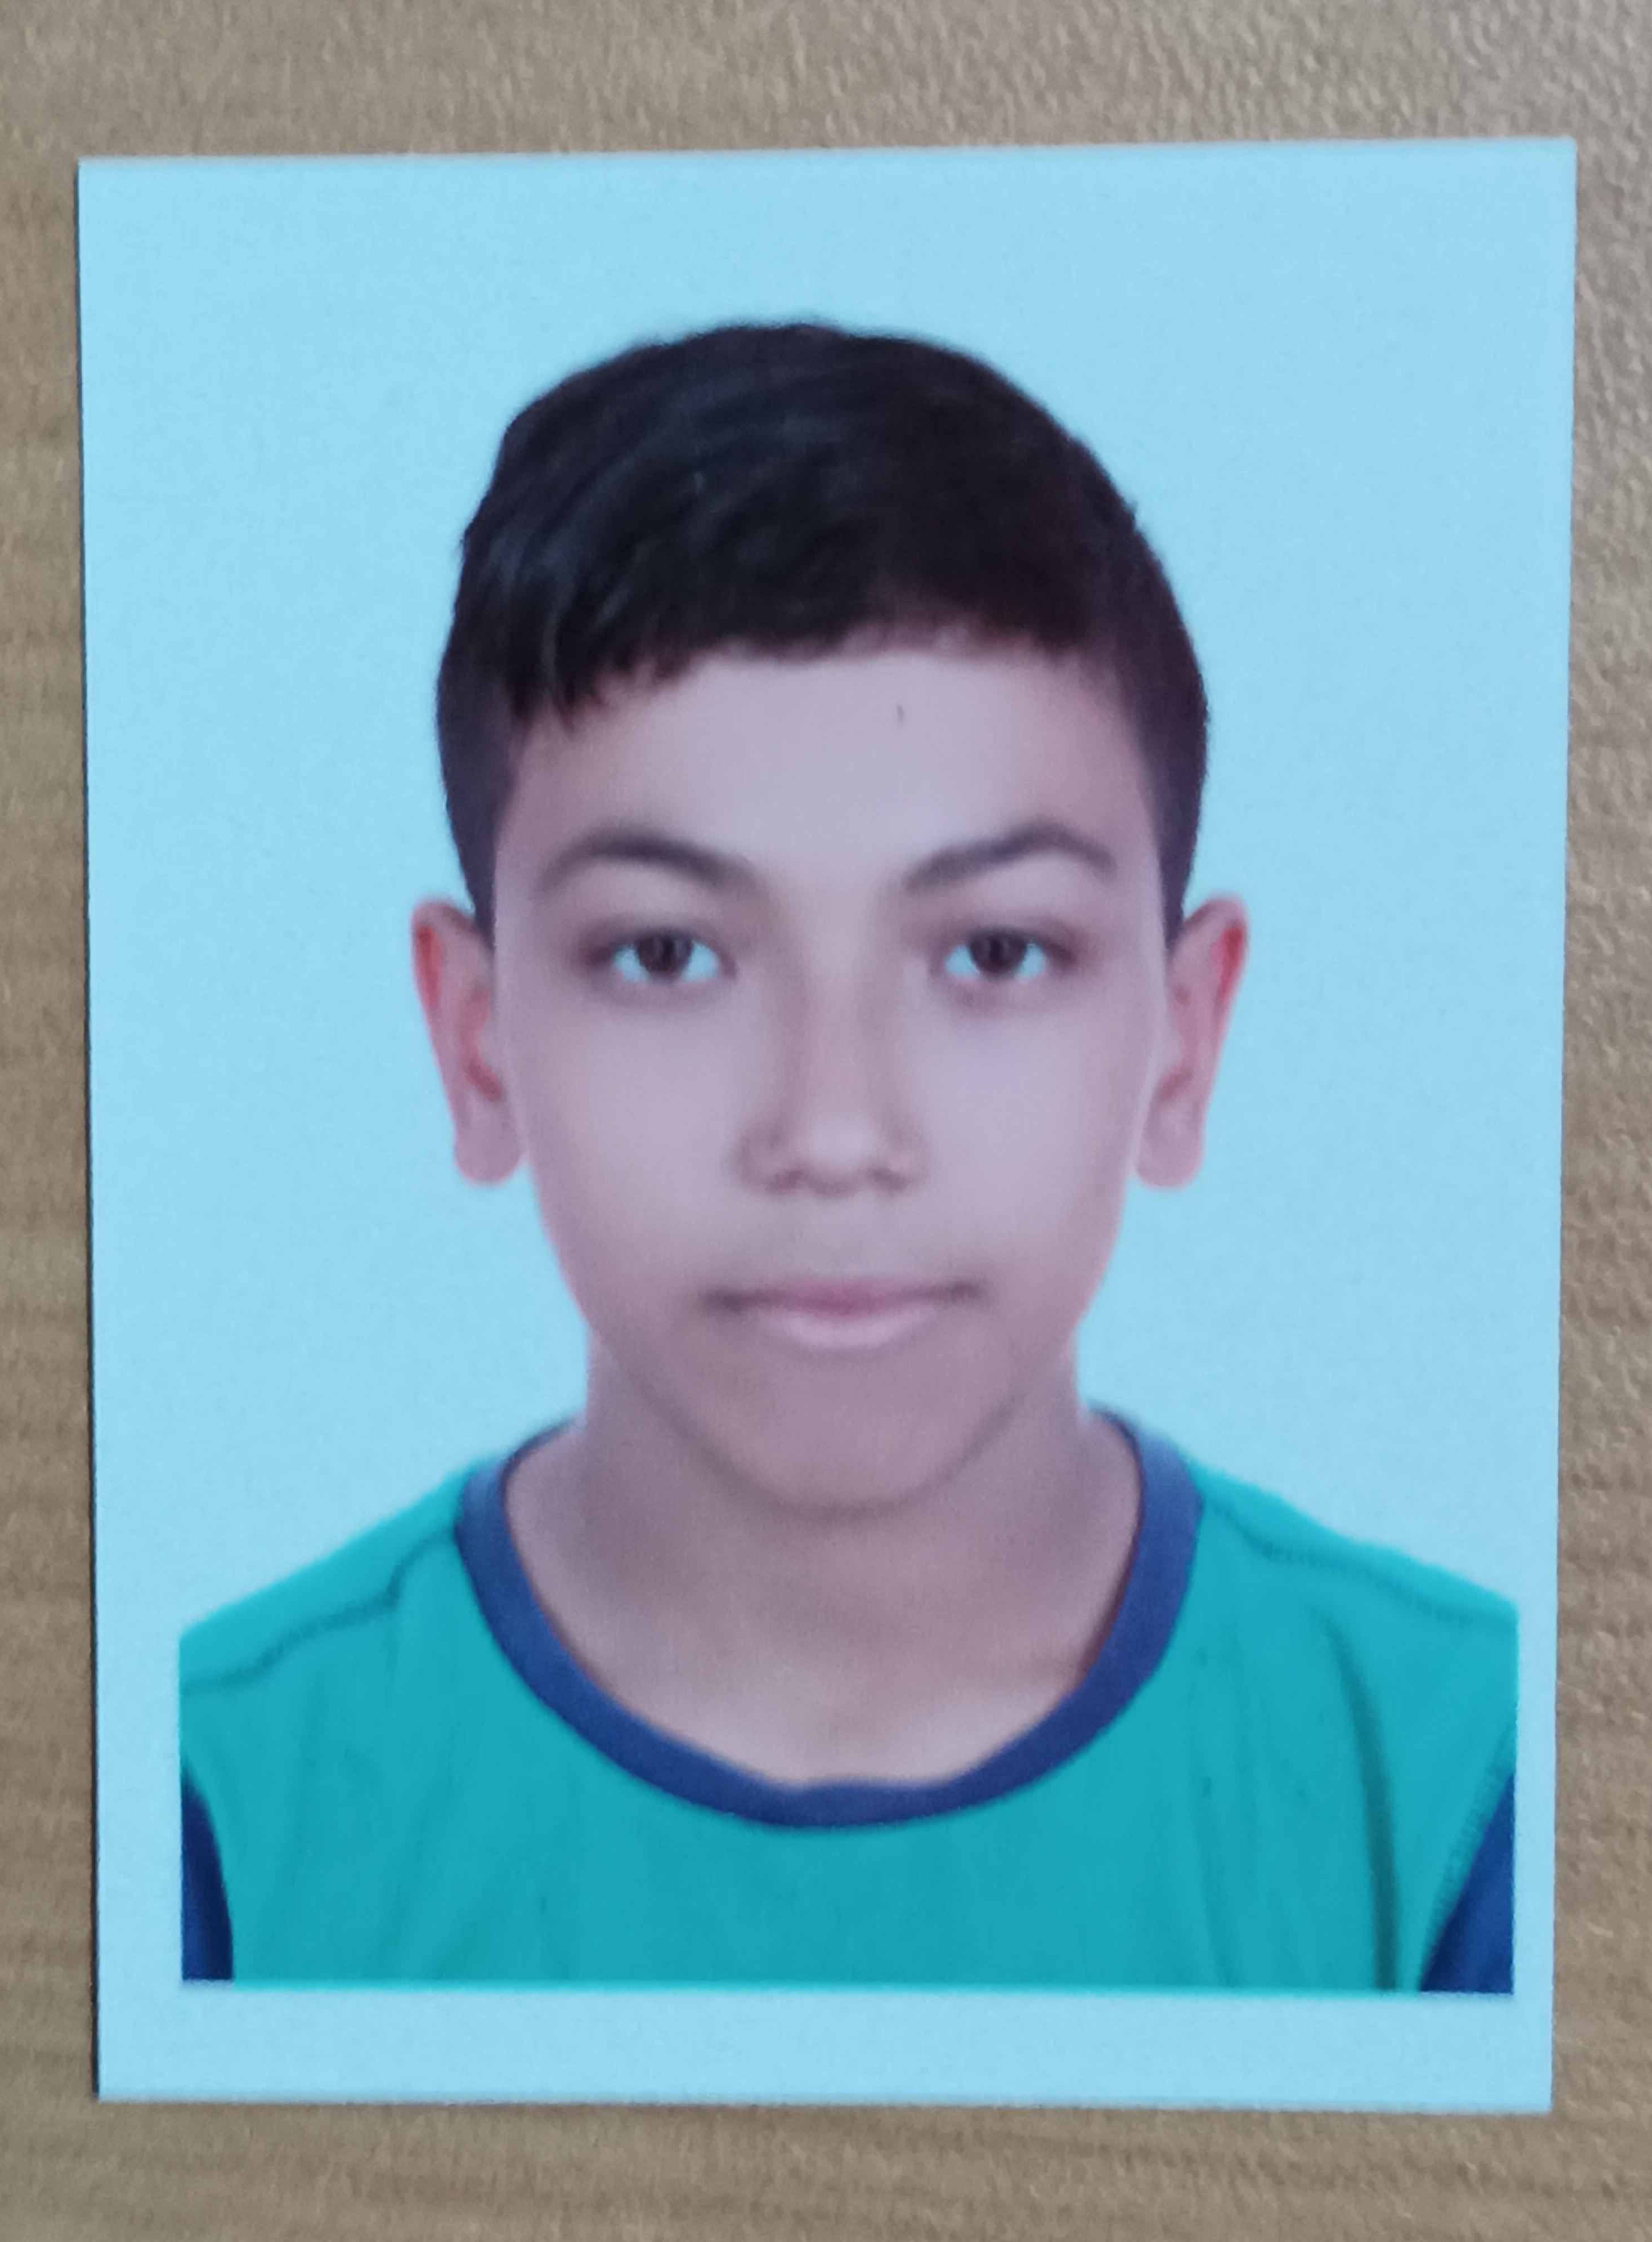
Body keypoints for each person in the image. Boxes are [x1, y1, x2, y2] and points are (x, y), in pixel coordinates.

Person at [180, 322, 1515, 1992]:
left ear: (1184, 1041)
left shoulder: (1472, 1797)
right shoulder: (203, 1819)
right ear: (476, 1041)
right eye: (666, 954)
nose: (831, 1134)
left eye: (997, 953)